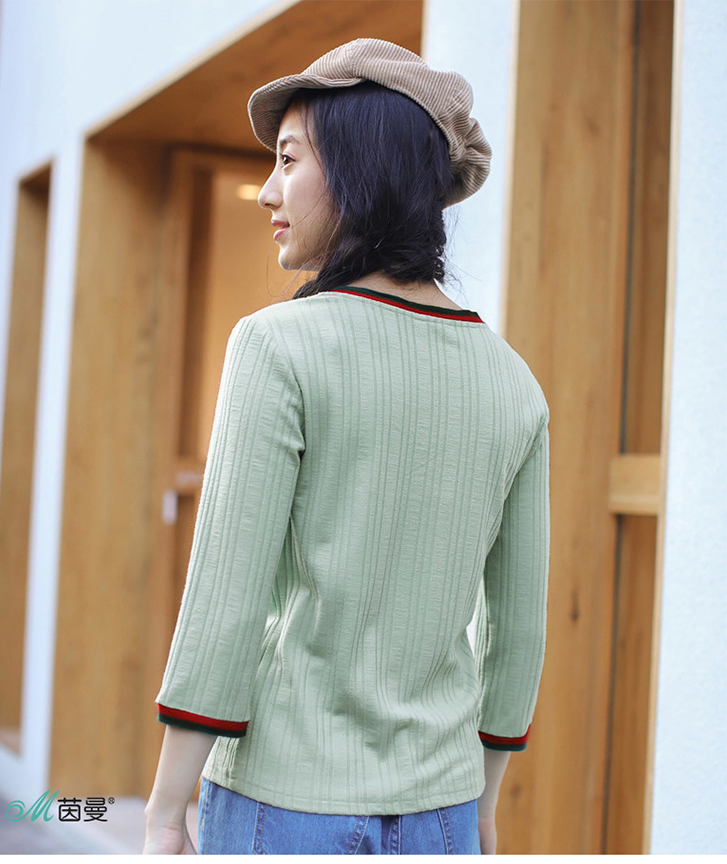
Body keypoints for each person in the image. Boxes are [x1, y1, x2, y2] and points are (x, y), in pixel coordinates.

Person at [143, 38, 550, 855]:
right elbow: (520, 630)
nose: (267, 189)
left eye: (289, 158)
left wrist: (162, 812)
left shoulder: (275, 346)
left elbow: (226, 601)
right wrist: (484, 803)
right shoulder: (516, 384)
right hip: (444, 808)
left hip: (282, 801)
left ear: (362, 169)